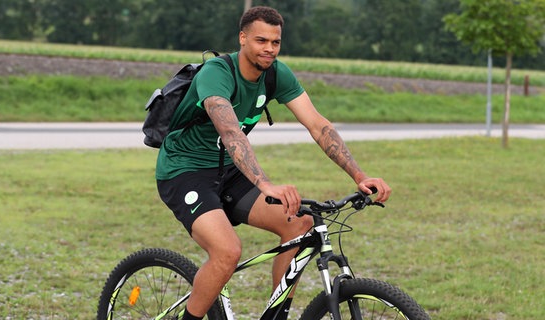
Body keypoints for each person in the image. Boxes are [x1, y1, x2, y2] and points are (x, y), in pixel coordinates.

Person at [156, 6, 391, 320]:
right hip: (184, 170)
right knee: (227, 252)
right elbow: (230, 132)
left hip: (228, 170)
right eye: (260, 40)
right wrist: (265, 184)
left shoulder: (276, 74)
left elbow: (318, 125)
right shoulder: (217, 72)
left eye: (275, 42)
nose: (269, 49)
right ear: (243, 38)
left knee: (299, 225)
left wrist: (359, 175)